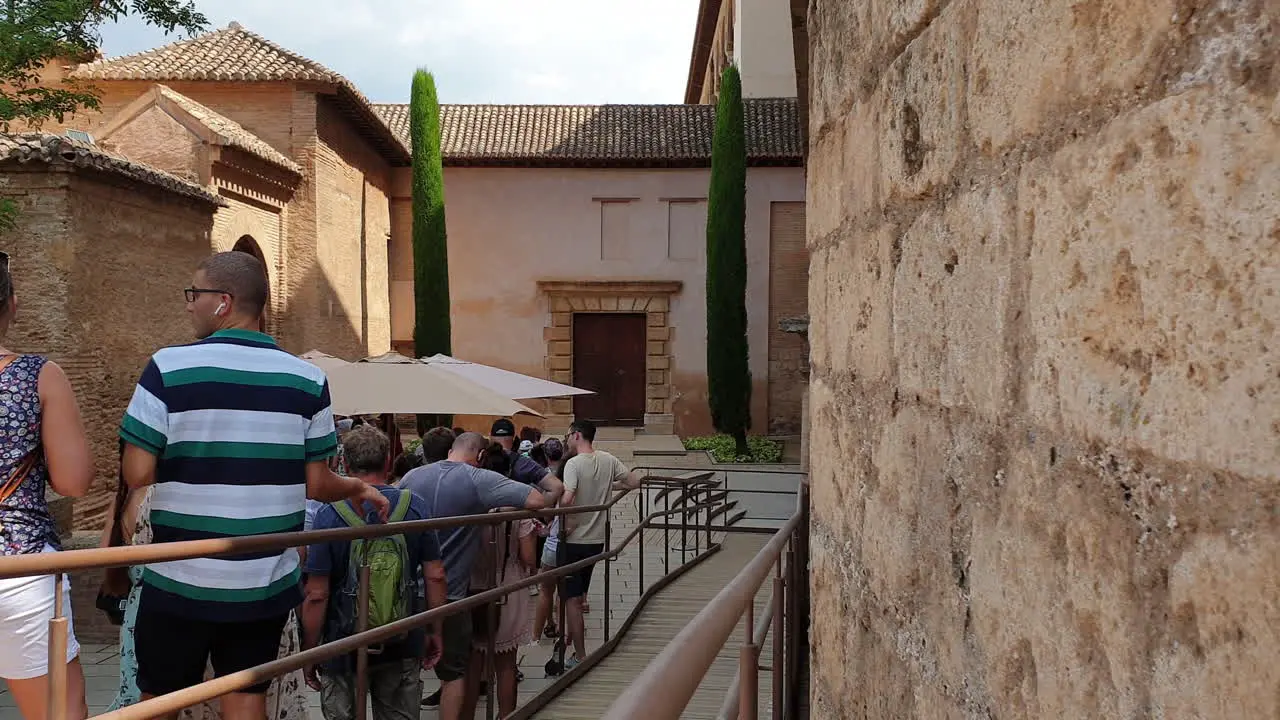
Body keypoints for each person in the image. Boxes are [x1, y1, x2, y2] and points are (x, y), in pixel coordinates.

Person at [118, 251, 389, 720]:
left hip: (178, 574)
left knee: (159, 700)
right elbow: (318, 484)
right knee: (246, 700)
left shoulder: (166, 367)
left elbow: (138, 474)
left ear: (223, 302)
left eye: (194, 294)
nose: (188, 305)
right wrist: (357, 489)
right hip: (262, 582)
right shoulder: (308, 378)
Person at [399, 432, 560, 720]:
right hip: (451, 594)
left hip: (409, 591)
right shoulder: (477, 479)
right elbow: (541, 498)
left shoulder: (412, 476)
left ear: (451, 449)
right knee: (455, 673)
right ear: (481, 456)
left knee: (405, 673)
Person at [0, 250, 94, 720]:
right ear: (12, 305)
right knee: (60, 710)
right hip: (17, 567)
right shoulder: (37, 375)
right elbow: (74, 482)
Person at [302, 425, 447, 720]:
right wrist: (434, 630)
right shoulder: (414, 506)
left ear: (344, 464)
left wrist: (309, 651)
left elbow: (317, 593)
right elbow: (435, 576)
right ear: (388, 460)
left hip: (342, 644)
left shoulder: (328, 514)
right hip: (403, 637)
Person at [558, 420, 641, 666]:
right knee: (579, 595)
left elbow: (568, 498)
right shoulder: (608, 459)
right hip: (596, 539)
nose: (567, 440)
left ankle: (580, 655)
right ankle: (568, 643)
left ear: (577, 436)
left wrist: (565, 514)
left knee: (571, 600)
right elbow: (634, 482)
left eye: (568, 435)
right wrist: (606, 487)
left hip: (574, 540)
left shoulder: (573, 464)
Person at [465, 443, 536, 718]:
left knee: (473, 662)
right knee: (506, 664)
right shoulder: (518, 508)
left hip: (474, 583)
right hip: (509, 584)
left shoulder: (471, 506)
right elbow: (529, 557)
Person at [489, 418, 560, 490]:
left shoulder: (481, 460)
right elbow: (556, 486)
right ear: (513, 439)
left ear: (490, 437)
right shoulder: (525, 463)